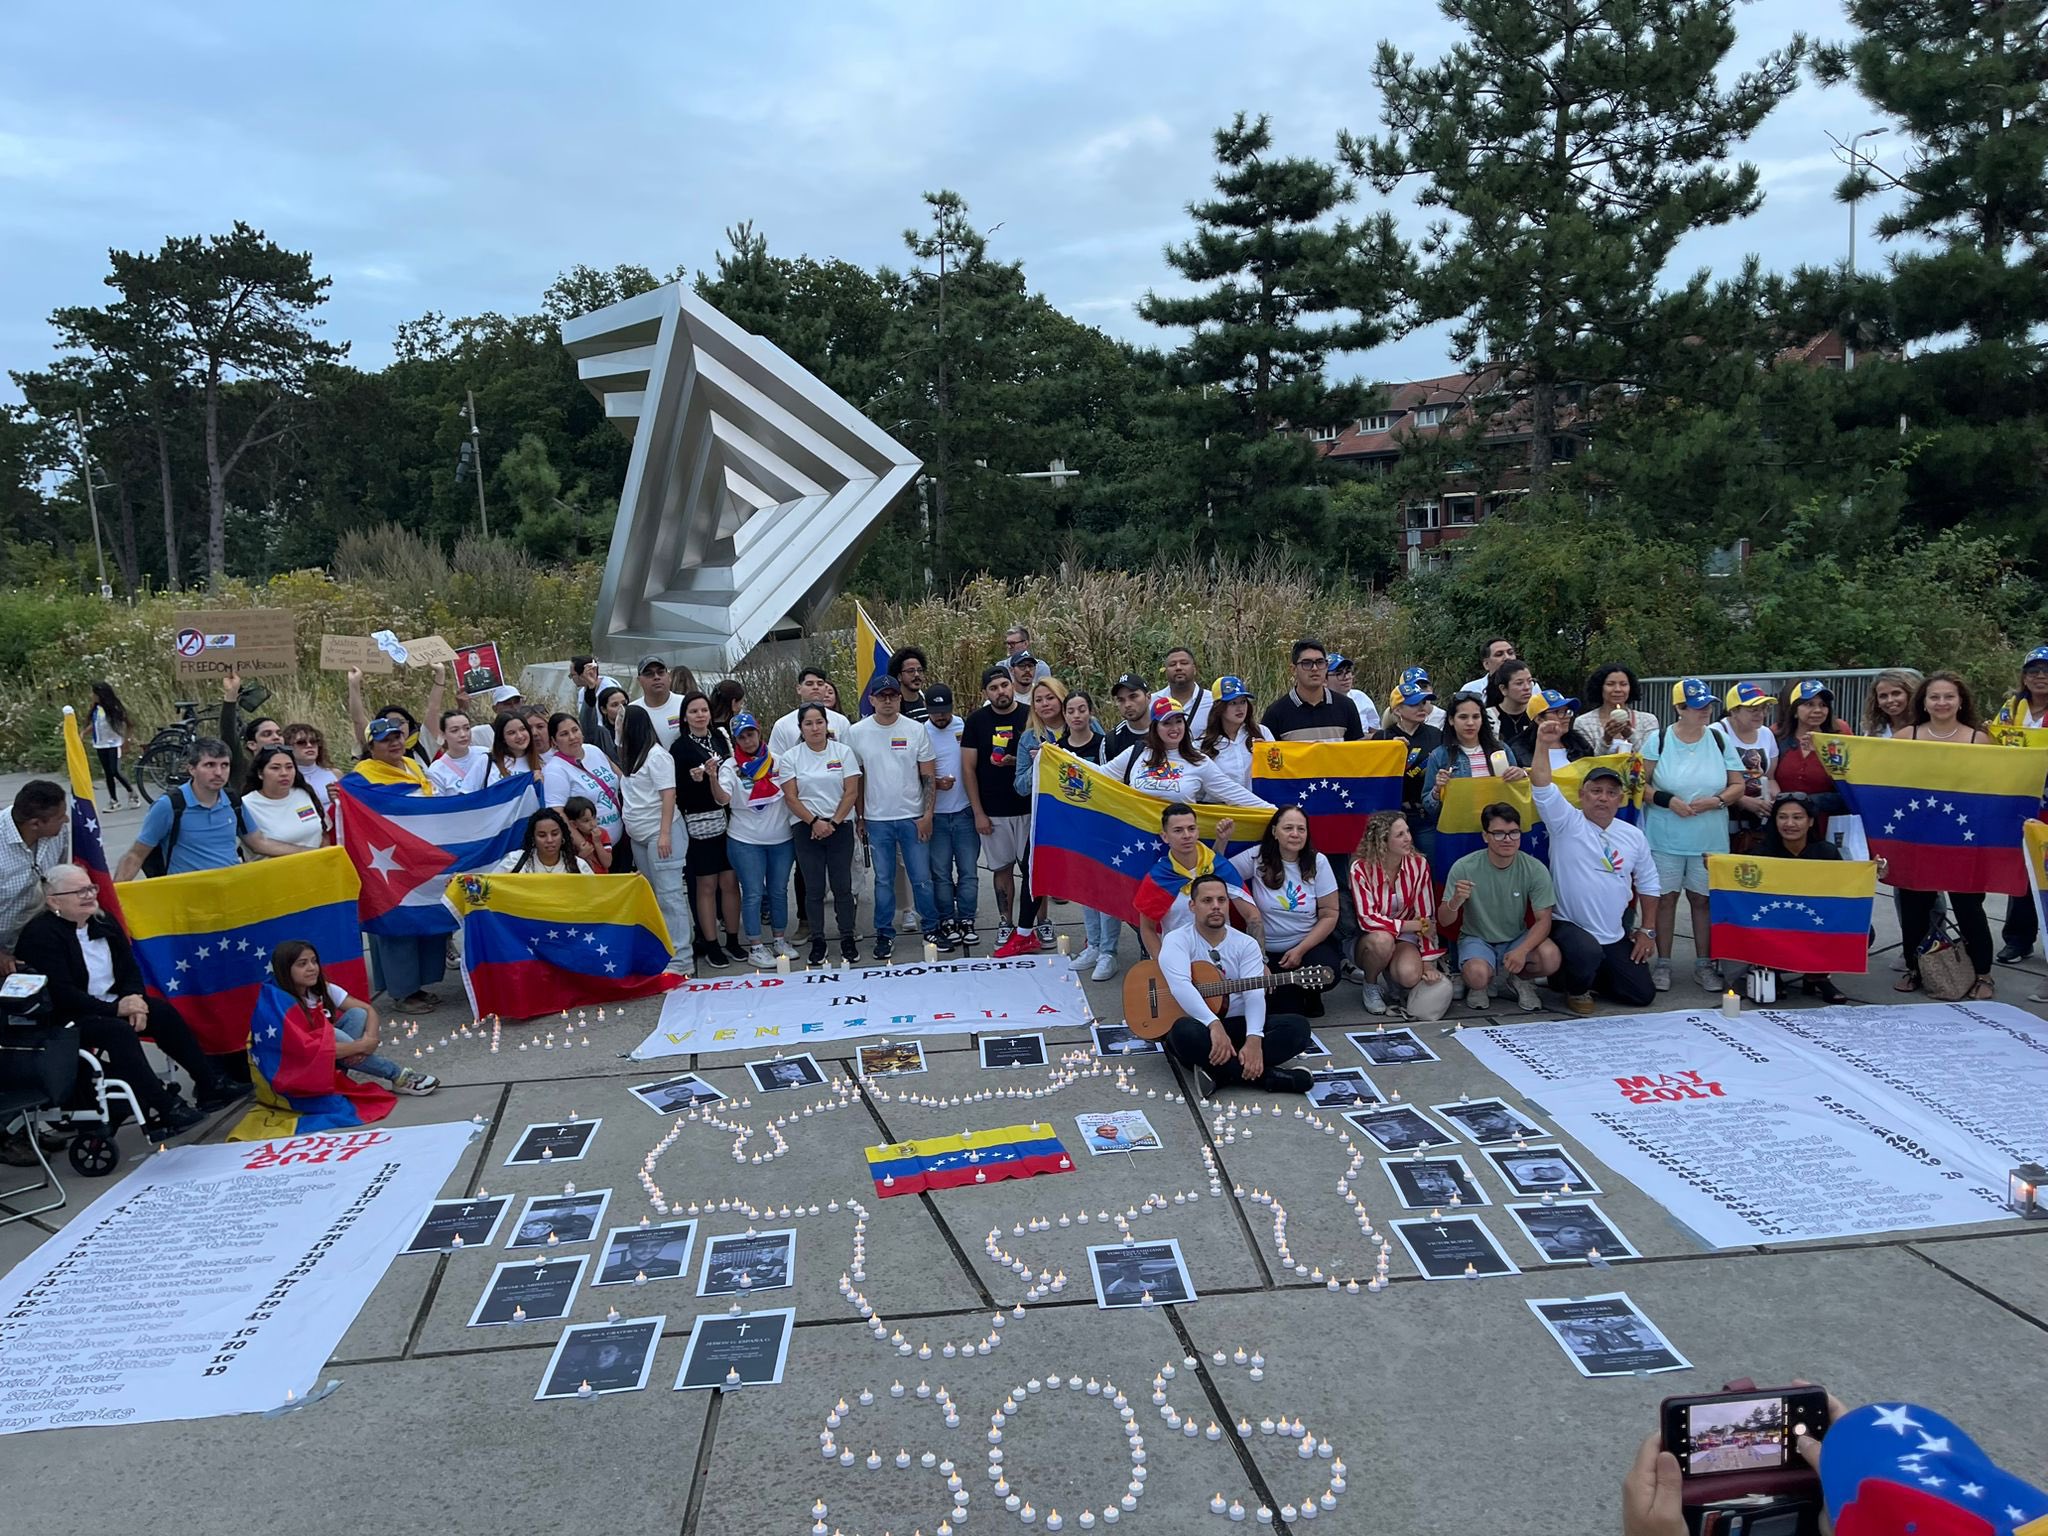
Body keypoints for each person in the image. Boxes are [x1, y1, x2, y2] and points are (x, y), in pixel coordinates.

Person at [14, 867, 251, 1134]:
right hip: (69, 1016)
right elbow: (63, 994)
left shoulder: (103, 922)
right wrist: (117, 1009)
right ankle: (164, 1105)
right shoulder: (41, 935)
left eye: (92, 888)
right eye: (80, 891)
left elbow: (130, 969)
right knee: (118, 1032)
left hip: (114, 1004)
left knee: (161, 1012)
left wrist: (134, 998)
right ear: (53, 901)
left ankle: (211, 1085)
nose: (90, 895)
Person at [1530, 716, 1661, 1014]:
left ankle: (1586, 974)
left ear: (1620, 798)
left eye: (1611, 792)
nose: (1603, 798)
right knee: (1585, 951)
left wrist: (1647, 930)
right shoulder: (1565, 822)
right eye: (1596, 791)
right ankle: (1574, 987)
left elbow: (1650, 884)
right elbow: (1540, 783)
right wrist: (1542, 743)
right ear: (1581, 795)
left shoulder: (1633, 836)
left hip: (1613, 934)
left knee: (1642, 995)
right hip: (1569, 926)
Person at [1158, 873, 1313, 1095]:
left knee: (1298, 1028)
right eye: (1207, 901)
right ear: (1192, 906)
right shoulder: (1177, 939)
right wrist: (1213, 1024)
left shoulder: (1246, 944)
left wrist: (1254, 1038)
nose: (1216, 907)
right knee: (1183, 1034)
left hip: (1237, 1023)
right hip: (1200, 1026)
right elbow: (1181, 986)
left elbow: (1254, 993)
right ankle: (1268, 1078)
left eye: (1222, 900)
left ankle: (1220, 1073)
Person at [1895, 669, 1996, 1000]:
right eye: (1934, 696)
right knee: (1914, 907)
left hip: (1962, 838)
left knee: (1968, 907)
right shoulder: (1905, 736)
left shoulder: (1978, 739)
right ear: (1923, 702)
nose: (1941, 702)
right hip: (1916, 836)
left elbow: (1992, 789)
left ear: (1960, 701)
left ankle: (1982, 973)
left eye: (1948, 696)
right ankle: (1916, 967)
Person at [1641, 677, 1746, 993]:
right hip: (1665, 837)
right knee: (1665, 900)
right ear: (1679, 708)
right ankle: (1663, 963)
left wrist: (1716, 800)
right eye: (1698, 706)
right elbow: (1639, 785)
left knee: (1703, 900)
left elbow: (1738, 784)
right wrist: (1668, 800)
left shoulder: (1718, 739)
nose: (1705, 711)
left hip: (1709, 838)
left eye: (1708, 705)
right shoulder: (1657, 740)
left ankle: (1704, 964)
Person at [344, 719, 445, 1012]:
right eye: (385, 739)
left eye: (397, 737)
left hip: (419, 854)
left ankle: (421, 984)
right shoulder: (362, 776)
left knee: (423, 916)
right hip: (388, 860)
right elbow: (346, 800)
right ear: (371, 746)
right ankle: (403, 991)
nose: (394, 743)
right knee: (397, 922)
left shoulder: (412, 767)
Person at [273, 938, 437, 1095]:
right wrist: (360, 1047)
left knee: (358, 1014)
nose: (312, 968)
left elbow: (368, 1010)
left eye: (314, 961)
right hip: (304, 1066)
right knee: (333, 1033)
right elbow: (310, 1049)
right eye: (302, 964)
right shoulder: (282, 1003)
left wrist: (370, 1039)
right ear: (285, 970)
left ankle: (341, 1070)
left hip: (330, 1054)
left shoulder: (321, 988)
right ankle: (398, 1075)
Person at [1437, 801, 1558, 1012]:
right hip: (1477, 937)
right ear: (1486, 836)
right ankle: (1481, 983)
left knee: (1550, 958)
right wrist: (1455, 901)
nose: (1508, 839)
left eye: (1514, 833)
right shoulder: (1464, 866)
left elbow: (1543, 920)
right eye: (1499, 833)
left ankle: (1518, 979)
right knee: (1477, 976)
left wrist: (1522, 950)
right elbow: (1444, 920)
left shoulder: (1535, 869)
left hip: (1516, 937)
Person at [850, 673, 937, 962]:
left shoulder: (915, 729)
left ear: (900, 698)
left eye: (893, 695)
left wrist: (927, 815)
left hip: (913, 816)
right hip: (877, 820)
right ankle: (884, 933)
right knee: (883, 880)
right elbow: (856, 779)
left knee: (921, 878)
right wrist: (860, 816)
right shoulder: (857, 732)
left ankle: (932, 928)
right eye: (882, 696)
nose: (887, 700)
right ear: (871, 700)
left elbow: (928, 775)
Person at [1228, 805, 1339, 1016]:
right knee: (1283, 1008)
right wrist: (1222, 840)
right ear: (1274, 832)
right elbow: (1219, 872)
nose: (1295, 834)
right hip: (1266, 950)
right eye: (1288, 828)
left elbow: (1330, 913)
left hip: (1306, 944)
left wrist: (1300, 950)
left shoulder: (1319, 862)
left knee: (1328, 972)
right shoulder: (1256, 857)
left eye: (1301, 829)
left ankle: (1311, 993)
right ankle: (1296, 993)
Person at [961, 665, 1037, 955]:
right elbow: (968, 769)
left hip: (1029, 808)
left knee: (1034, 870)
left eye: (1005, 685)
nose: (1001, 691)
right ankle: (1006, 923)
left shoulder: (1031, 714)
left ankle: (1038, 923)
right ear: (985, 693)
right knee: (1002, 869)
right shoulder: (977, 721)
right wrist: (978, 812)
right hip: (993, 811)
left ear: (1013, 685)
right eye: (993, 688)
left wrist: (1015, 762)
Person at [713, 712, 796, 968]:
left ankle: (780, 939)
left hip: (781, 838)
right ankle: (756, 946)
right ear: (736, 740)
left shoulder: (780, 762)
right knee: (753, 893)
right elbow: (722, 799)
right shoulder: (731, 767)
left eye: (751, 734)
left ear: (759, 733)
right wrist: (711, 777)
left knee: (779, 891)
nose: (748, 740)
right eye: (742, 736)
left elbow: (794, 793)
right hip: (745, 839)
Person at [781, 702, 862, 966]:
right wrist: (815, 822)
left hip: (840, 826)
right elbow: (791, 797)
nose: (815, 728)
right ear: (801, 728)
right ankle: (818, 940)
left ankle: (847, 937)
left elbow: (851, 792)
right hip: (806, 829)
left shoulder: (844, 752)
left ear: (827, 725)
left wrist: (834, 823)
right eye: (808, 723)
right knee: (814, 888)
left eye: (819, 722)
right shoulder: (791, 757)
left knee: (842, 886)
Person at [1754, 794, 1851, 1004]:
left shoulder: (1827, 852)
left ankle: (1816, 974)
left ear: (1811, 822)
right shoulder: (1762, 853)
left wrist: (1876, 870)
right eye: (1782, 817)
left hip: (1814, 919)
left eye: (1797, 817)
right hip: (1776, 919)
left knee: (1860, 930)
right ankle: (1773, 971)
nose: (1790, 824)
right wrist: (1716, 866)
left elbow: (1846, 887)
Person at [1348, 810, 1447, 1016]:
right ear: (1382, 841)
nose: (1408, 838)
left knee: (1410, 976)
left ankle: (1394, 976)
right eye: (1400, 834)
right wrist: (1407, 925)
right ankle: (1371, 984)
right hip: (1370, 938)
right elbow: (1367, 919)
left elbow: (1426, 918)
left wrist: (1428, 963)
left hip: (1405, 938)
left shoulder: (1419, 865)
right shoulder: (1360, 868)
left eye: (1408, 832)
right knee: (1382, 941)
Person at [672, 691, 743, 970]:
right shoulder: (679, 748)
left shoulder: (721, 737)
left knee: (729, 881)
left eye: (704, 710)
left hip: (729, 818)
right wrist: (695, 779)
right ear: (685, 717)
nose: (700, 715)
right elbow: (677, 790)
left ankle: (733, 939)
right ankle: (711, 943)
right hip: (700, 821)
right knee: (706, 884)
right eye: (694, 711)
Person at [615, 708, 690, 969]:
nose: (618, 726)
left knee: (670, 896)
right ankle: (665, 949)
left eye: (622, 722)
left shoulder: (657, 756)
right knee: (656, 896)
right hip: (639, 836)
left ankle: (682, 958)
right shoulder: (630, 754)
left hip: (660, 835)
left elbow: (668, 795)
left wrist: (665, 834)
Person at [1135, 802, 1262, 955]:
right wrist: (1162, 966)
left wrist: (1260, 959)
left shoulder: (1219, 867)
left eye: (1191, 828)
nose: (1187, 835)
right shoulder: (1158, 878)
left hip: (1224, 960)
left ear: (1197, 831)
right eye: (1178, 830)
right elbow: (1147, 928)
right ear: (1165, 836)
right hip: (1179, 960)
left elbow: (1252, 915)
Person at [1056, 689, 1122, 979]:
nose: (1077, 715)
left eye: (1082, 709)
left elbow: (1113, 782)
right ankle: (1092, 945)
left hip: (1103, 827)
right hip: (1075, 829)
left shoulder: (1104, 743)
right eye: (1071, 710)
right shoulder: (1056, 750)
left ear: (1090, 712)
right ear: (1065, 715)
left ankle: (1109, 952)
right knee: (1086, 892)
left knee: (1106, 893)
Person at [1990, 645, 2048, 963]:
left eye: (2046, 671)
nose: (2040, 677)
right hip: (2020, 799)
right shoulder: (2013, 706)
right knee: (2022, 870)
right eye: (2034, 671)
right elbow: (1997, 741)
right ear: (2024, 677)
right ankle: (2018, 938)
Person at [1104, 698, 1273, 809]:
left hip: (1180, 842)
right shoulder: (1136, 753)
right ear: (1155, 727)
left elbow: (1234, 793)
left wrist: (1275, 812)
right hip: (1140, 840)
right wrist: (1076, 761)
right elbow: (1101, 774)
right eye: (1167, 723)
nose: (1175, 728)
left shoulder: (1199, 761)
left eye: (1179, 721)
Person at [114, 738, 243, 882]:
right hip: (187, 896)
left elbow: (259, 842)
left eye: (224, 765)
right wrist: (115, 897)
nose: (219, 772)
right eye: (209, 765)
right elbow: (136, 855)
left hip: (230, 892)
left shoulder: (233, 801)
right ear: (192, 769)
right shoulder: (170, 805)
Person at [923, 684, 979, 952]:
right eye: (935, 713)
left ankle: (966, 919)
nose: (940, 717)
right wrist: (934, 783)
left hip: (965, 811)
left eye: (944, 711)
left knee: (968, 871)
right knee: (941, 873)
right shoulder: (921, 731)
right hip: (938, 815)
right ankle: (946, 919)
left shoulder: (964, 726)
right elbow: (914, 772)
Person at [1769, 680, 1854, 844]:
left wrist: (1810, 802)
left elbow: (1849, 792)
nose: (1817, 710)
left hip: (1826, 829)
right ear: (1795, 711)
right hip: (1784, 829)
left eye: (1823, 705)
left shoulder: (1840, 743)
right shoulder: (1777, 740)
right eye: (1809, 704)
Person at [0, 781, 71, 973]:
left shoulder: (58, 832)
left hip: (35, 936)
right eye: (60, 817)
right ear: (35, 824)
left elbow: (58, 878)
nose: (66, 820)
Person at [1420, 693, 1517, 829]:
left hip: (1498, 830)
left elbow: (1518, 793)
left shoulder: (1501, 750)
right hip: (1460, 831)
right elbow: (1430, 808)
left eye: (1476, 717)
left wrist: (1520, 775)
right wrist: (1437, 790)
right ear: (1451, 720)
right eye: (1463, 717)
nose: (1470, 723)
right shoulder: (1439, 756)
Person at [542, 712, 625, 860]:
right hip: (593, 851)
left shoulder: (594, 750)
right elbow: (558, 813)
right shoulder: (555, 770)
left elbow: (620, 777)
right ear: (554, 741)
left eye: (575, 730)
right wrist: (583, 845)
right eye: (564, 734)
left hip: (619, 841)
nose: (572, 737)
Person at [1261, 639, 1365, 742]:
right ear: (1293, 669)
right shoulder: (1276, 712)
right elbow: (1269, 754)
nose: (1314, 668)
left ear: (1326, 666)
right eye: (1307, 663)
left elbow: (1355, 752)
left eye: (1320, 662)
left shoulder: (1346, 706)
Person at [238, 745, 329, 859]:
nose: (284, 773)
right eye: (275, 768)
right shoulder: (246, 805)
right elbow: (257, 845)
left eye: (289, 767)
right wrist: (310, 854)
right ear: (260, 773)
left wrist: (325, 857)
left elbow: (324, 832)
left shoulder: (304, 793)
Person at [1374, 677, 1444, 826]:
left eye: (1423, 703)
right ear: (1398, 710)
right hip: (1392, 817)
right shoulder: (1383, 737)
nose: (1421, 708)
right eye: (1414, 704)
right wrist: (1388, 749)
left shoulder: (1436, 734)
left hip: (1426, 815)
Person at [1720, 682, 1779, 854]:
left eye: (1764, 708)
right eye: (1753, 710)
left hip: (1758, 817)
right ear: (1734, 710)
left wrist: (1775, 797)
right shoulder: (1717, 733)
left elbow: (1771, 776)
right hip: (1726, 814)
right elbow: (1709, 779)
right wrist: (1743, 800)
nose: (1761, 714)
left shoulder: (1766, 734)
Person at [1199, 677, 1272, 795]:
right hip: (1220, 809)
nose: (1240, 708)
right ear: (1219, 707)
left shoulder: (1262, 732)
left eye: (1243, 701)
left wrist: (1267, 755)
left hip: (1258, 806)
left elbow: (1277, 772)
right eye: (1233, 703)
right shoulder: (1202, 743)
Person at [1573, 664, 1661, 754]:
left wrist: (1630, 736)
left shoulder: (1648, 720)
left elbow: (1650, 758)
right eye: (1610, 684)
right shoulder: (1583, 723)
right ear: (1600, 687)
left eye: (1623, 684)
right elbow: (1586, 762)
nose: (1618, 689)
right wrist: (1606, 740)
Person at [769, 668, 851, 756]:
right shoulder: (783, 725)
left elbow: (849, 755)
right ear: (799, 689)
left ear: (825, 688)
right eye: (809, 684)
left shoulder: (841, 721)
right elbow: (776, 760)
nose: (815, 687)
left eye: (820, 684)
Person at [86, 682, 140, 808]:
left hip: (114, 743)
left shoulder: (114, 708)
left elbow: (129, 724)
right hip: (101, 744)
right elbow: (94, 725)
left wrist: (127, 741)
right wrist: (83, 733)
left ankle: (131, 792)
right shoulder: (96, 709)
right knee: (108, 773)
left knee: (115, 770)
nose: (92, 696)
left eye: (94, 694)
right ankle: (114, 800)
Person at [498, 807, 590, 874]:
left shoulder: (579, 866)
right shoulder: (513, 861)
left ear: (563, 836)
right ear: (533, 838)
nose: (549, 840)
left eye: (554, 834)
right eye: (542, 835)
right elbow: (490, 890)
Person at [1517, 688, 1591, 769]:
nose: (1566, 716)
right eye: (1559, 712)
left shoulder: (1580, 744)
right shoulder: (1520, 751)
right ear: (1539, 719)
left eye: (1568, 711)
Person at [427, 708, 497, 794]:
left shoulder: (486, 754)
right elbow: (439, 804)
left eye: (467, 728)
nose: (463, 734)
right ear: (443, 734)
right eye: (454, 730)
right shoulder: (436, 771)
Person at [1485, 659, 1542, 765]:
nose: (1526, 688)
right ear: (1503, 689)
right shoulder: (1488, 717)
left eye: (1530, 681)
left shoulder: (1539, 715)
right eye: (1519, 683)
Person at [1151, 646, 1214, 735]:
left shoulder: (1212, 701)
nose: (1178, 667)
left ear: (1195, 669)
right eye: (1172, 664)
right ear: (1166, 671)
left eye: (1184, 663)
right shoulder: (1153, 701)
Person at [286, 722, 342, 806]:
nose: (309, 745)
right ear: (288, 747)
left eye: (313, 741)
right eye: (301, 742)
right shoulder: (285, 779)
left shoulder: (335, 774)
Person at [1325, 654, 1380, 732]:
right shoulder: (1320, 704)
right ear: (1324, 680)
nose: (1346, 677)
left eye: (1348, 672)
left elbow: (1376, 733)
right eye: (1339, 674)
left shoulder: (1360, 697)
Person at [490, 711, 549, 782]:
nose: (520, 736)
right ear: (502, 738)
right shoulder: (487, 761)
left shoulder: (542, 764)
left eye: (522, 729)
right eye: (511, 733)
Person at [562, 795, 615, 873]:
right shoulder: (570, 839)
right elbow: (567, 867)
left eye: (594, 818)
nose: (593, 824)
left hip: (602, 879)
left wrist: (597, 842)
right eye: (586, 821)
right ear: (573, 824)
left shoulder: (602, 834)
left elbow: (607, 863)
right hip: (581, 880)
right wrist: (581, 856)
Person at [1105, 673, 1152, 759]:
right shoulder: (1111, 740)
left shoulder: (1166, 728)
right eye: (1121, 700)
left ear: (1148, 697)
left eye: (1133, 696)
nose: (1127, 705)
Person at [888, 647, 933, 723]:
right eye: (910, 671)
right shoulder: (893, 708)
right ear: (899, 676)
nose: (916, 674)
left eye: (920, 670)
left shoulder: (930, 703)